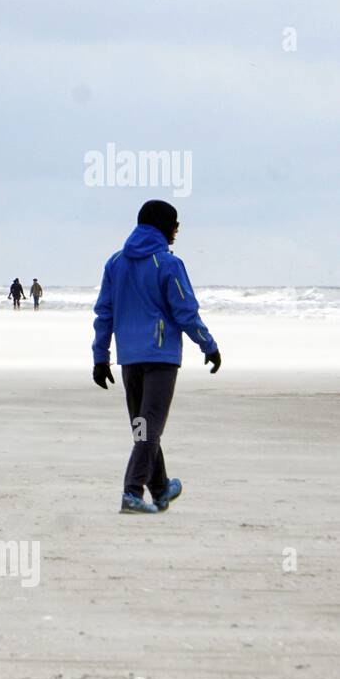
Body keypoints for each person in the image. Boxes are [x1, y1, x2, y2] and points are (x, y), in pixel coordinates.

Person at [92, 200, 221, 515]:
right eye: (175, 224)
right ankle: (132, 493)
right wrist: (209, 346)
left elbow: (104, 314)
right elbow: (186, 311)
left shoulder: (115, 263)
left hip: (129, 359)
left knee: (142, 426)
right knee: (148, 429)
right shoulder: (168, 264)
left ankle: (161, 489)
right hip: (161, 358)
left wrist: (100, 356)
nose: (177, 230)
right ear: (165, 226)